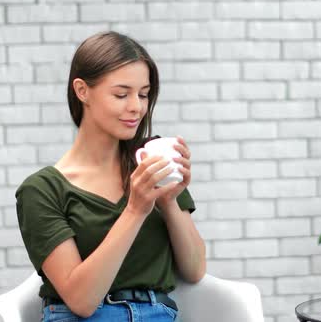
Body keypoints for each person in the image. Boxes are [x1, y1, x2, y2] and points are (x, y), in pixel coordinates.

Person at [15, 31, 206, 322]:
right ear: (82, 91)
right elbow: (81, 301)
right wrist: (135, 210)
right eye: (121, 94)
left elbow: (195, 269)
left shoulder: (150, 161)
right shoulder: (41, 190)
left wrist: (167, 202)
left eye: (143, 94)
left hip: (157, 314)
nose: (136, 107)